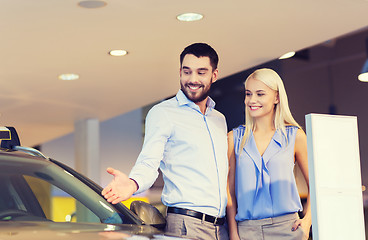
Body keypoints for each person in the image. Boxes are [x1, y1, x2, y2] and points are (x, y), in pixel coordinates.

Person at [102, 43, 229, 240]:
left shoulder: (219, 120)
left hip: (222, 228)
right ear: (180, 72)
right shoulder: (163, 113)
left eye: (201, 72)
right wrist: (133, 183)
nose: (193, 79)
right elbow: (148, 162)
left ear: (214, 75)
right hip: (187, 226)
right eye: (187, 72)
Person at [226, 68, 311, 240]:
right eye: (248, 94)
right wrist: (234, 234)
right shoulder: (234, 138)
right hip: (246, 231)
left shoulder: (295, 137)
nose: (252, 100)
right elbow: (229, 192)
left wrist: (307, 221)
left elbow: (316, 185)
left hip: (288, 230)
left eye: (260, 94)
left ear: (277, 97)